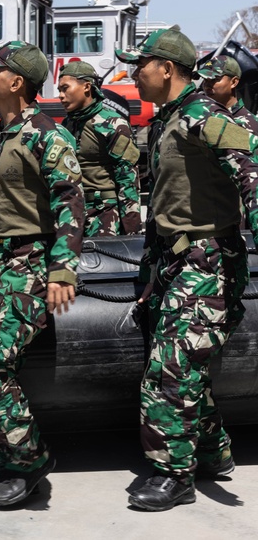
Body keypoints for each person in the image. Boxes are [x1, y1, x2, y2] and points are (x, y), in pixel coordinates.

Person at [117, 27, 258, 511]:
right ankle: (213, 453)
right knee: (186, 366)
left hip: (208, 262)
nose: (134, 74)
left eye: (140, 65)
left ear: (166, 69)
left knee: (170, 371)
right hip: (174, 261)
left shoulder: (202, 115)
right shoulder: (166, 120)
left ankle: (174, 476)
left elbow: (251, 169)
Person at [0, 41, 85, 507]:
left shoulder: (47, 136)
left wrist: (62, 271)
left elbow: (71, 203)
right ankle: (9, 463)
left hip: (30, 264)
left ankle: (31, 462)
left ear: (16, 83)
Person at [58, 60, 142, 237]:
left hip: (106, 215)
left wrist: (132, 230)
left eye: (65, 88)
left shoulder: (113, 124)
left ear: (87, 87)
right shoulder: (68, 124)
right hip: (74, 213)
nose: (60, 95)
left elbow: (128, 179)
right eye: (60, 90)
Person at [197, 55, 258, 134]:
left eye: (214, 79)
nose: (207, 85)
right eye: (205, 79)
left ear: (234, 82)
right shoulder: (200, 114)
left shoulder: (249, 125)